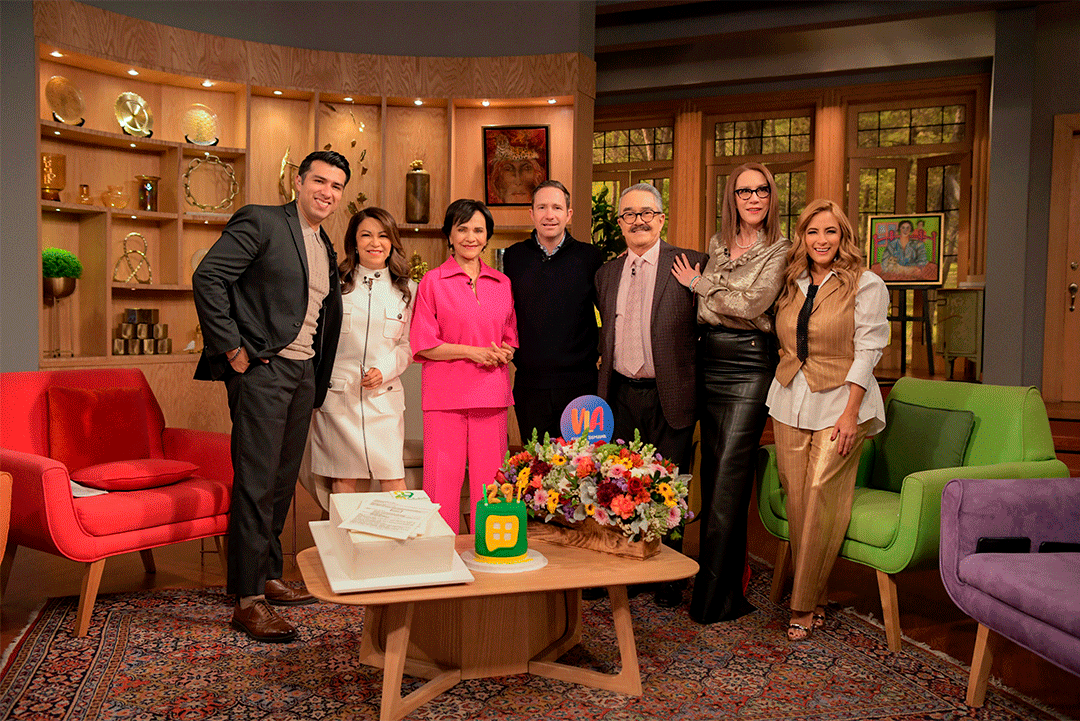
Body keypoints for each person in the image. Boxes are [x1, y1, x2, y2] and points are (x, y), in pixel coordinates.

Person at [193, 150, 350, 643]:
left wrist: (314, 377)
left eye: (336, 186)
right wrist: (233, 349)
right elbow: (208, 277)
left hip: (302, 373)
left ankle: (267, 575)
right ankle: (247, 600)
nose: (327, 192)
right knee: (256, 483)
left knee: (282, 482)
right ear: (298, 182)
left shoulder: (323, 242)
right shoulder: (262, 222)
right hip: (262, 369)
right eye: (319, 181)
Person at [671, 162, 790, 625]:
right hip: (707, 359)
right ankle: (728, 581)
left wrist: (701, 284)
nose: (754, 198)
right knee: (712, 472)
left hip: (749, 365)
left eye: (761, 190)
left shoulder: (781, 248)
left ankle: (714, 597)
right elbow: (720, 307)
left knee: (726, 480)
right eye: (744, 191)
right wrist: (720, 297)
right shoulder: (718, 243)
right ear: (732, 198)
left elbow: (753, 304)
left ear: (771, 196)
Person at [766, 199, 889, 641]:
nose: (821, 240)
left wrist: (851, 413)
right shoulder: (791, 282)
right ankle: (815, 595)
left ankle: (801, 606)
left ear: (843, 237)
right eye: (813, 231)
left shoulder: (866, 284)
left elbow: (869, 351)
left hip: (841, 402)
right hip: (789, 399)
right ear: (802, 237)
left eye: (830, 231)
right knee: (798, 498)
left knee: (819, 491)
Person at [596, 182, 707, 608]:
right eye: (629, 214)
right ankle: (629, 563)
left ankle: (668, 574)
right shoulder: (606, 274)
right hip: (621, 392)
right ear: (620, 222)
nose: (638, 221)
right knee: (623, 482)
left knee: (669, 484)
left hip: (671, 393)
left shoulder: (690, 264)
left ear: (661, 219)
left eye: (646, 213)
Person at [410, 199, 518, 532]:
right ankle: (441, 553)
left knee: (492, 484)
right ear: (450, 235)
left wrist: (505, 353)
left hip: (492, 396)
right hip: (445, 399)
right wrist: (473, 353)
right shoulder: (432, 281)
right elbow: (424, 344)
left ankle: (491, 549)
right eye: (462, 229)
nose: (470, 237)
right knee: (441, 484)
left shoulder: (502, 283)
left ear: (487, 237)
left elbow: (510, 338)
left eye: (478, 230)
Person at [309, 207, 417, 499]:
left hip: (384, 399)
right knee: (343, 481)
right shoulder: (334, 285)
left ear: (392, 241)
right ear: (354, 242)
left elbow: (409, 344)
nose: (375, 243)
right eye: (366, 235)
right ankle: (345, 532)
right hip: (339, 397)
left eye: (383, 235)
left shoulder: (407, 289)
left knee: (393, 479)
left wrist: (384, 370)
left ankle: (402, 530)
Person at [503, 180, 604, 442]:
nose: (549, 215)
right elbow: (505, 314)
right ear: (532, 213)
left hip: (580, 385)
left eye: (557, 208)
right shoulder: (514, 257)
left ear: (568, 214)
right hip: (530, 386)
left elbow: (609, 313)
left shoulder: (590, 258)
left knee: (582, 463)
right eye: (542, 207)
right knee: (536, 462)